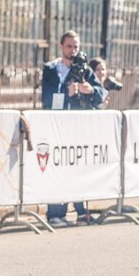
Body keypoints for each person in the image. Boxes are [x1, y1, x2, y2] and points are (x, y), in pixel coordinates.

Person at [41, 30, 106, 227]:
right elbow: (45, 98)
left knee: (79, 168)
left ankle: (81, 211)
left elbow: (101, 94)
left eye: (76, 47)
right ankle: (55, 213)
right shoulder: (51, 69)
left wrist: (90, 90)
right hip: (57, 124)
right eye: (69, 46)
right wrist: (64, 91)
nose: (72, 51)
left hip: (78, 126)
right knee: (58, 168)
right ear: (61, 47)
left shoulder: (84, 69)